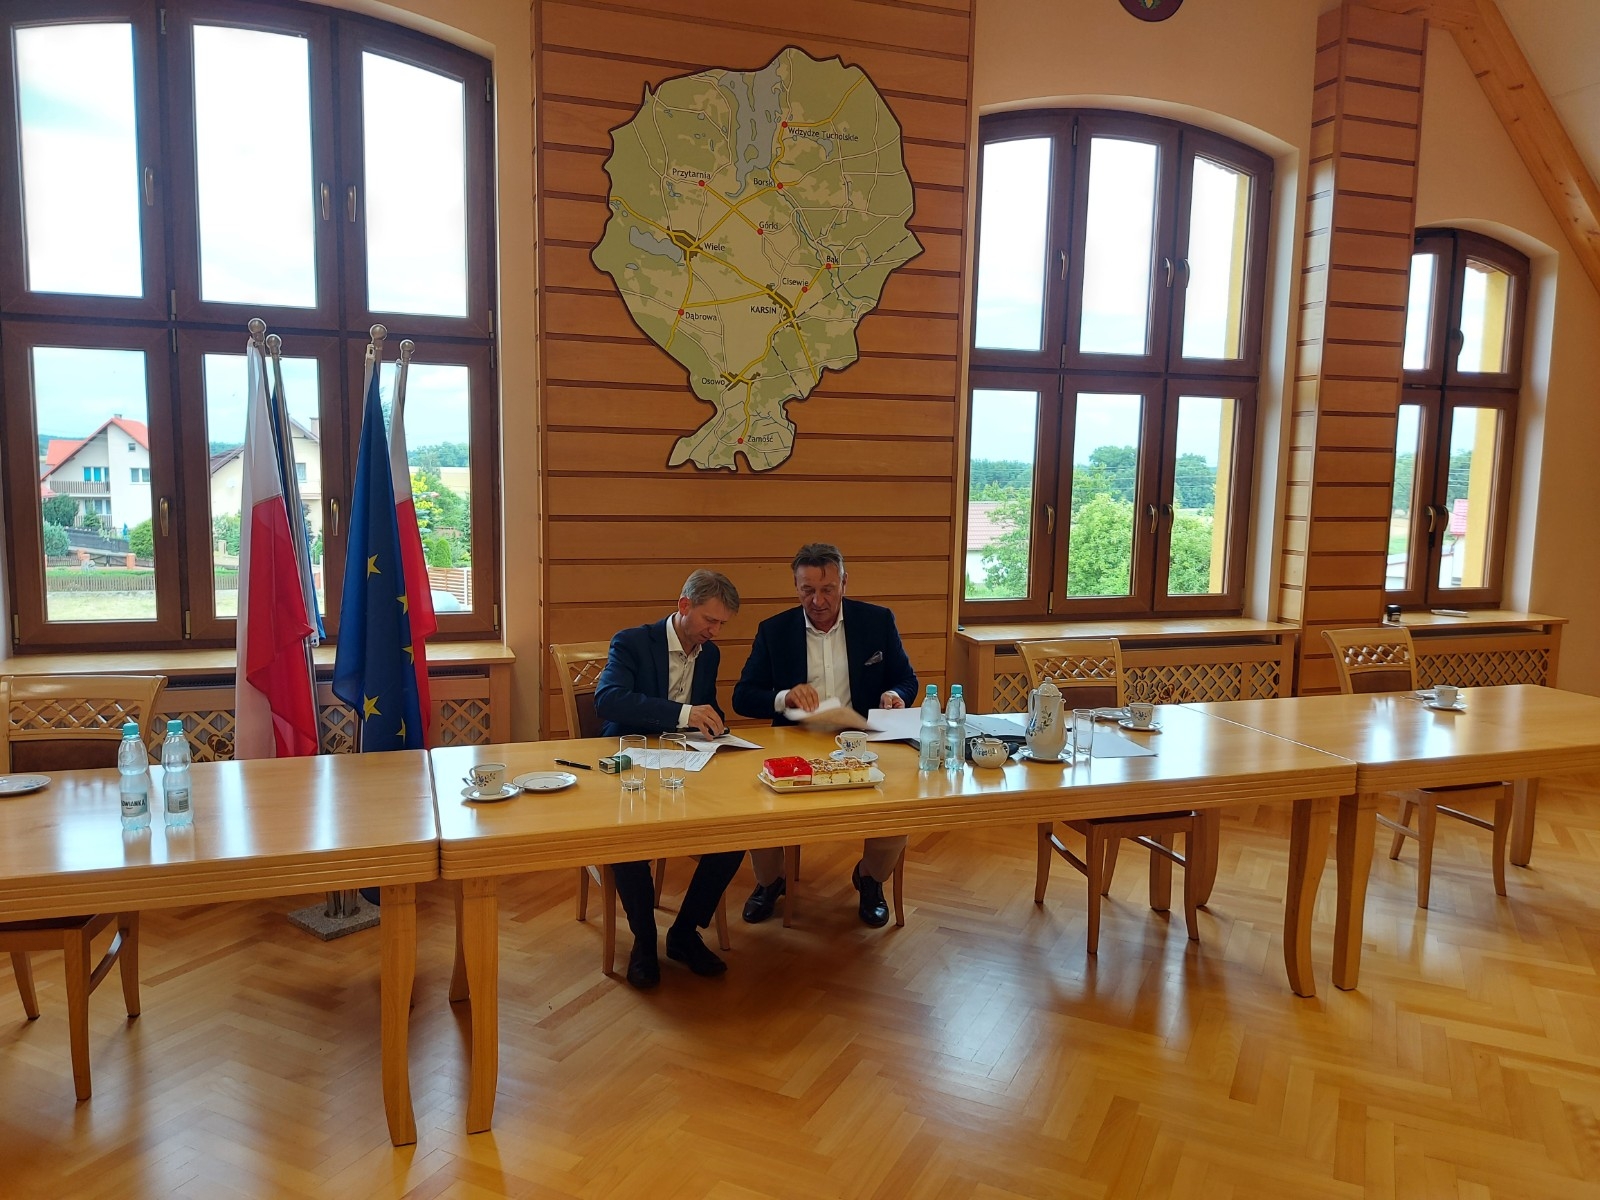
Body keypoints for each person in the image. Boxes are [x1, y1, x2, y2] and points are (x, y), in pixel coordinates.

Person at [732, 543, 918, 928]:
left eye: (827, 590)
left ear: (844, 583)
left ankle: (871, 877)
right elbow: (742, 696)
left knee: (900, 804)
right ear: (796, 587)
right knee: (755, 804)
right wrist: (784, 697)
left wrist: (894, 694)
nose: (817, 601)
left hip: (863, 740)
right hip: (795, 742)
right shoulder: (774, 630)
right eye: (807, 590)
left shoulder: (877, 621)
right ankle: (771, 881)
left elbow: (906, 678)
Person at [593, 569, 746, 989]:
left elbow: (706, 706)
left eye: (722, 624)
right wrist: (683, 714)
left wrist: (716, 725)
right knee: (628, 841)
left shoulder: (709, 654)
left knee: (736, 834)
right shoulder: (632, 642)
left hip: (685, 766)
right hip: (630, 763)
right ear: (684, 606)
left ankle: (684, 933)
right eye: (710, 620)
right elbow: (608, 700)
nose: (715, 632)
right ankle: (644, 941)